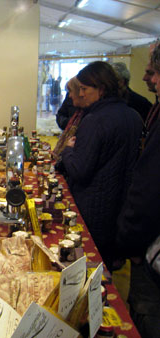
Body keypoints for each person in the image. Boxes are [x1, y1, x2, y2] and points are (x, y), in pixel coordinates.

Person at [58, 61, 143, 269]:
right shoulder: (133, 116)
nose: (82, 94)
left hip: (93, 210)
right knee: (105, 268)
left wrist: (68, 150)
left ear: (102, 89)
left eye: (85, 89)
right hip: (120, 209)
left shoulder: (94, 120)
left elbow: (79, 170)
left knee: (86, 268)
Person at [116, 45, 160, 338]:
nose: (151, 80)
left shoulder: (140, 106)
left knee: (147, 317)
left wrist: (129, 241)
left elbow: (147, 187)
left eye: (154, 72)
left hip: (150, 249)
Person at [52, 77, 85, 159]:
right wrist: (67, 123)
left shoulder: (89, 116)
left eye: (71, 91)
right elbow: (60, 114)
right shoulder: (69, 99)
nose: (70, 95)